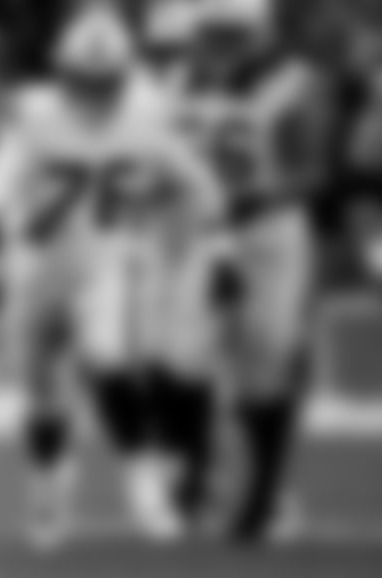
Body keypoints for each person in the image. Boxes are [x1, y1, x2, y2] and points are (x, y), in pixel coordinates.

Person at [0, 3, 219, 546]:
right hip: (32, 263)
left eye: (106, 79)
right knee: (40, 392)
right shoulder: (34, 115)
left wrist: (182, 222)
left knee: (105, 360)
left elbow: (201, 185)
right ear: (63, 73)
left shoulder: (146, 115)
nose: (97, 90)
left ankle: (146, 484)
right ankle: (49, 490)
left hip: (103, 258)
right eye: (86, 78)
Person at [175, 0, 331, 543]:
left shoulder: (294, 83)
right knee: (184, 353)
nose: (217, 45)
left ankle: (264, 490)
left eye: (229, 32)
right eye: (211, 32)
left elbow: (313, 171)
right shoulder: (185, 82)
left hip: (268, 230)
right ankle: (196, 472)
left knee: (264, 355)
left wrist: (256, 196)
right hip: (199, 232)